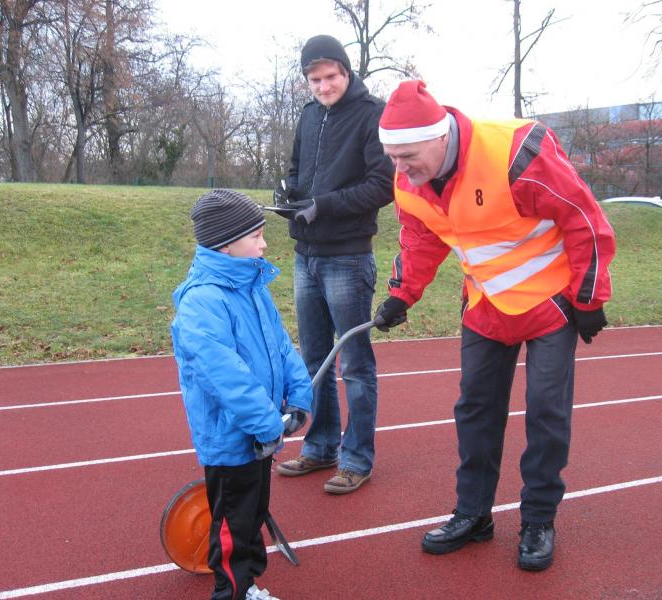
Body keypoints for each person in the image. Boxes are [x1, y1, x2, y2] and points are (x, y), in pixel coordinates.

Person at [373, 81, 616, 571]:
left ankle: (539, 520)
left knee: (546, 412)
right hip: (486, 303)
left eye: (408, 155)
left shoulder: (516, 151)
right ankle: (473, 513)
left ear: (441, 137)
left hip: (551, 302)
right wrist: (402, 294)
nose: (401, 168)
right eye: (392, 157)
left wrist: (589, 296)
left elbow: (582, 217)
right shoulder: (408, 180)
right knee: (475, 410)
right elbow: (420, 238)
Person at [170, 189, 313, 600]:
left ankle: (247, 586)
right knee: (234, 525)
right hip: (233, 439)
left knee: (251, 516)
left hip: (259, 433)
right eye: (256, 236)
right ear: (225, 244)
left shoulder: (252, 286)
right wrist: (267, 423)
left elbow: (280, 345)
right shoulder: (202, 301)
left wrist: (299, 393)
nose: (264, 244)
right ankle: (231, 592)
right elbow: (225, 377)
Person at [272, 34, 394, 494]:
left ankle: (356, 457)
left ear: (346, 71)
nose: (323, 87)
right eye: (315, 80)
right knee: (314, 361)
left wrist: (321, 205)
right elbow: (295, 169)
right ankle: (321, 445)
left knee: (355, 364)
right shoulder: (308, 116)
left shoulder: (372, 114)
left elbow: (382, 186)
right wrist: (289, 195)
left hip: (348, 256)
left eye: (330, 77)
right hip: (306, 255)